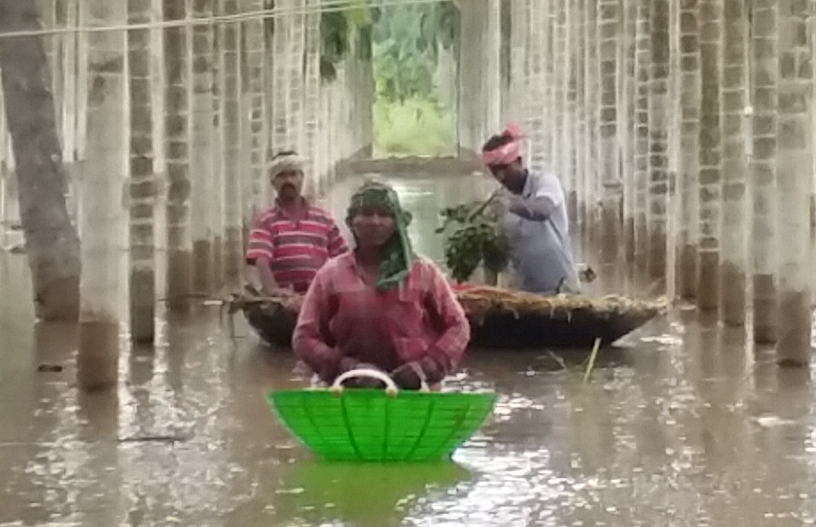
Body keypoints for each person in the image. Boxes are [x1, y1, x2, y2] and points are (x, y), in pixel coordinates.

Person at [294, 180, 471, 386]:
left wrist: (426, 367)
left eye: (384, 215)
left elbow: (458, 327)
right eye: (366, 214)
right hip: (350, 391)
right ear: (351, 221)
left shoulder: (423, 272)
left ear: (397, 222)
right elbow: (304, 337)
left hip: (415, 392)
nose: (375, 221)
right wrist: (346, 367)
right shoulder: (331, 275)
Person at [477, 127, 577, 296]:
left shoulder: (545, 182)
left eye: (504, 169)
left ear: (519, 161)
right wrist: (488, 294)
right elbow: (492, 260)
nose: (500, 177)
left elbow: (543, 210)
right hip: (524, 296)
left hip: (561, 290)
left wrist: (512, 205)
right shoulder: (496, 203)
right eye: (495, 172)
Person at [243, 150, 342, 295]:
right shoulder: (265, 221)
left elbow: (342, 259)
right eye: (281, 175)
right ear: (273, 182)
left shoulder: (324, 219)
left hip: (319, 297)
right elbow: (261, 259)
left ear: (302, 178)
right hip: (283, 302)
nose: (288, 180)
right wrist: (274, 291)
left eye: (293, 174)